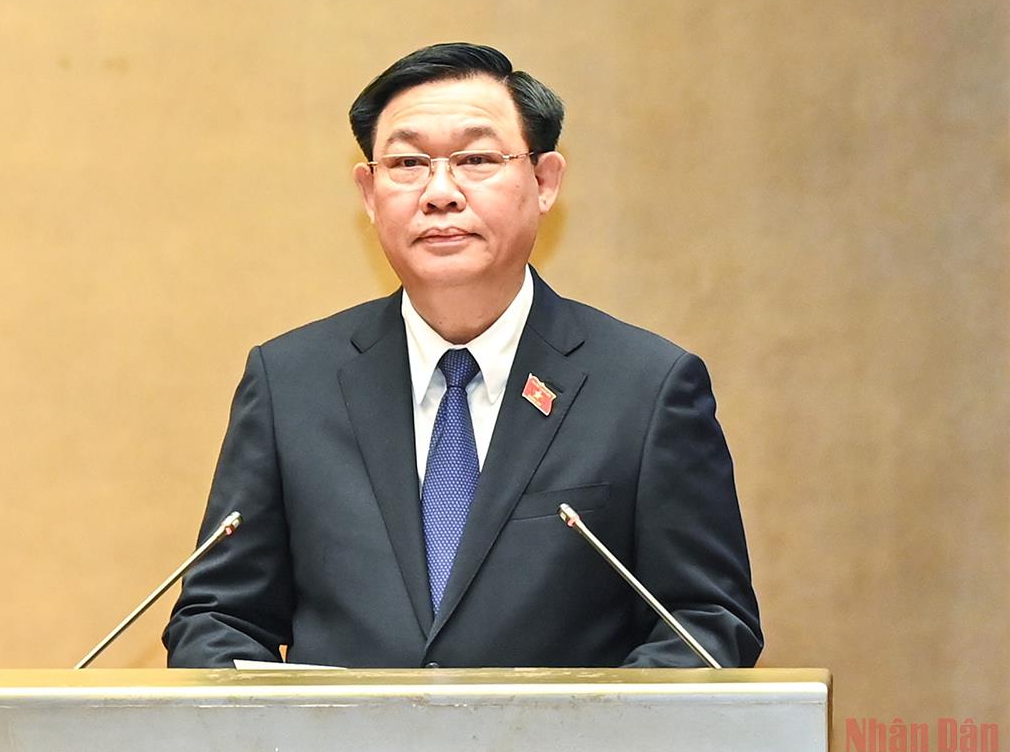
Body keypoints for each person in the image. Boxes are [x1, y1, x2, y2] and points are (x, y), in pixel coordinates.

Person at [163, 42, 762, 669]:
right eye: (407, 163)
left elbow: (706, 624)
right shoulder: (290, 383)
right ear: (369, 192)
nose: (440, 192)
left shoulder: (646, 389)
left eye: (476, 159)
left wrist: (583, 723)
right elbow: (217, 618)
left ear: (545, 181)